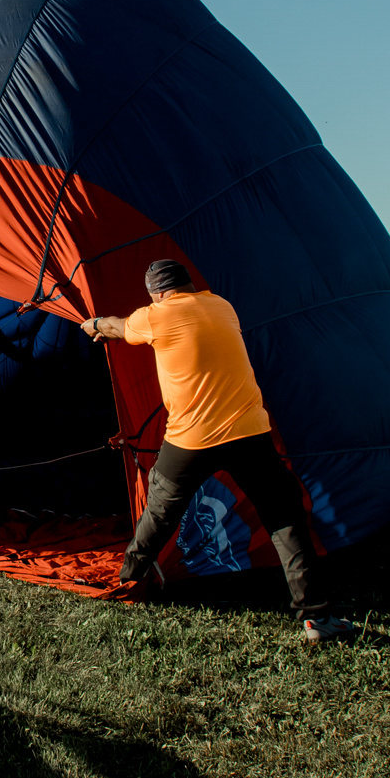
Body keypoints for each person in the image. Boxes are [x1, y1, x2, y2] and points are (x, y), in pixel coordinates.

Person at [83, 259, 358, 644]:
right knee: (284, 517)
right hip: (249, 435)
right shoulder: (222, 306)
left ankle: (129, 579)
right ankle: (315, 616)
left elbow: (116, 326)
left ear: (157, 293)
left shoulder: (155, 316)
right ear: (188, 284)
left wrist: (93, 325)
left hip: (190, 439)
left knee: (160, 513)